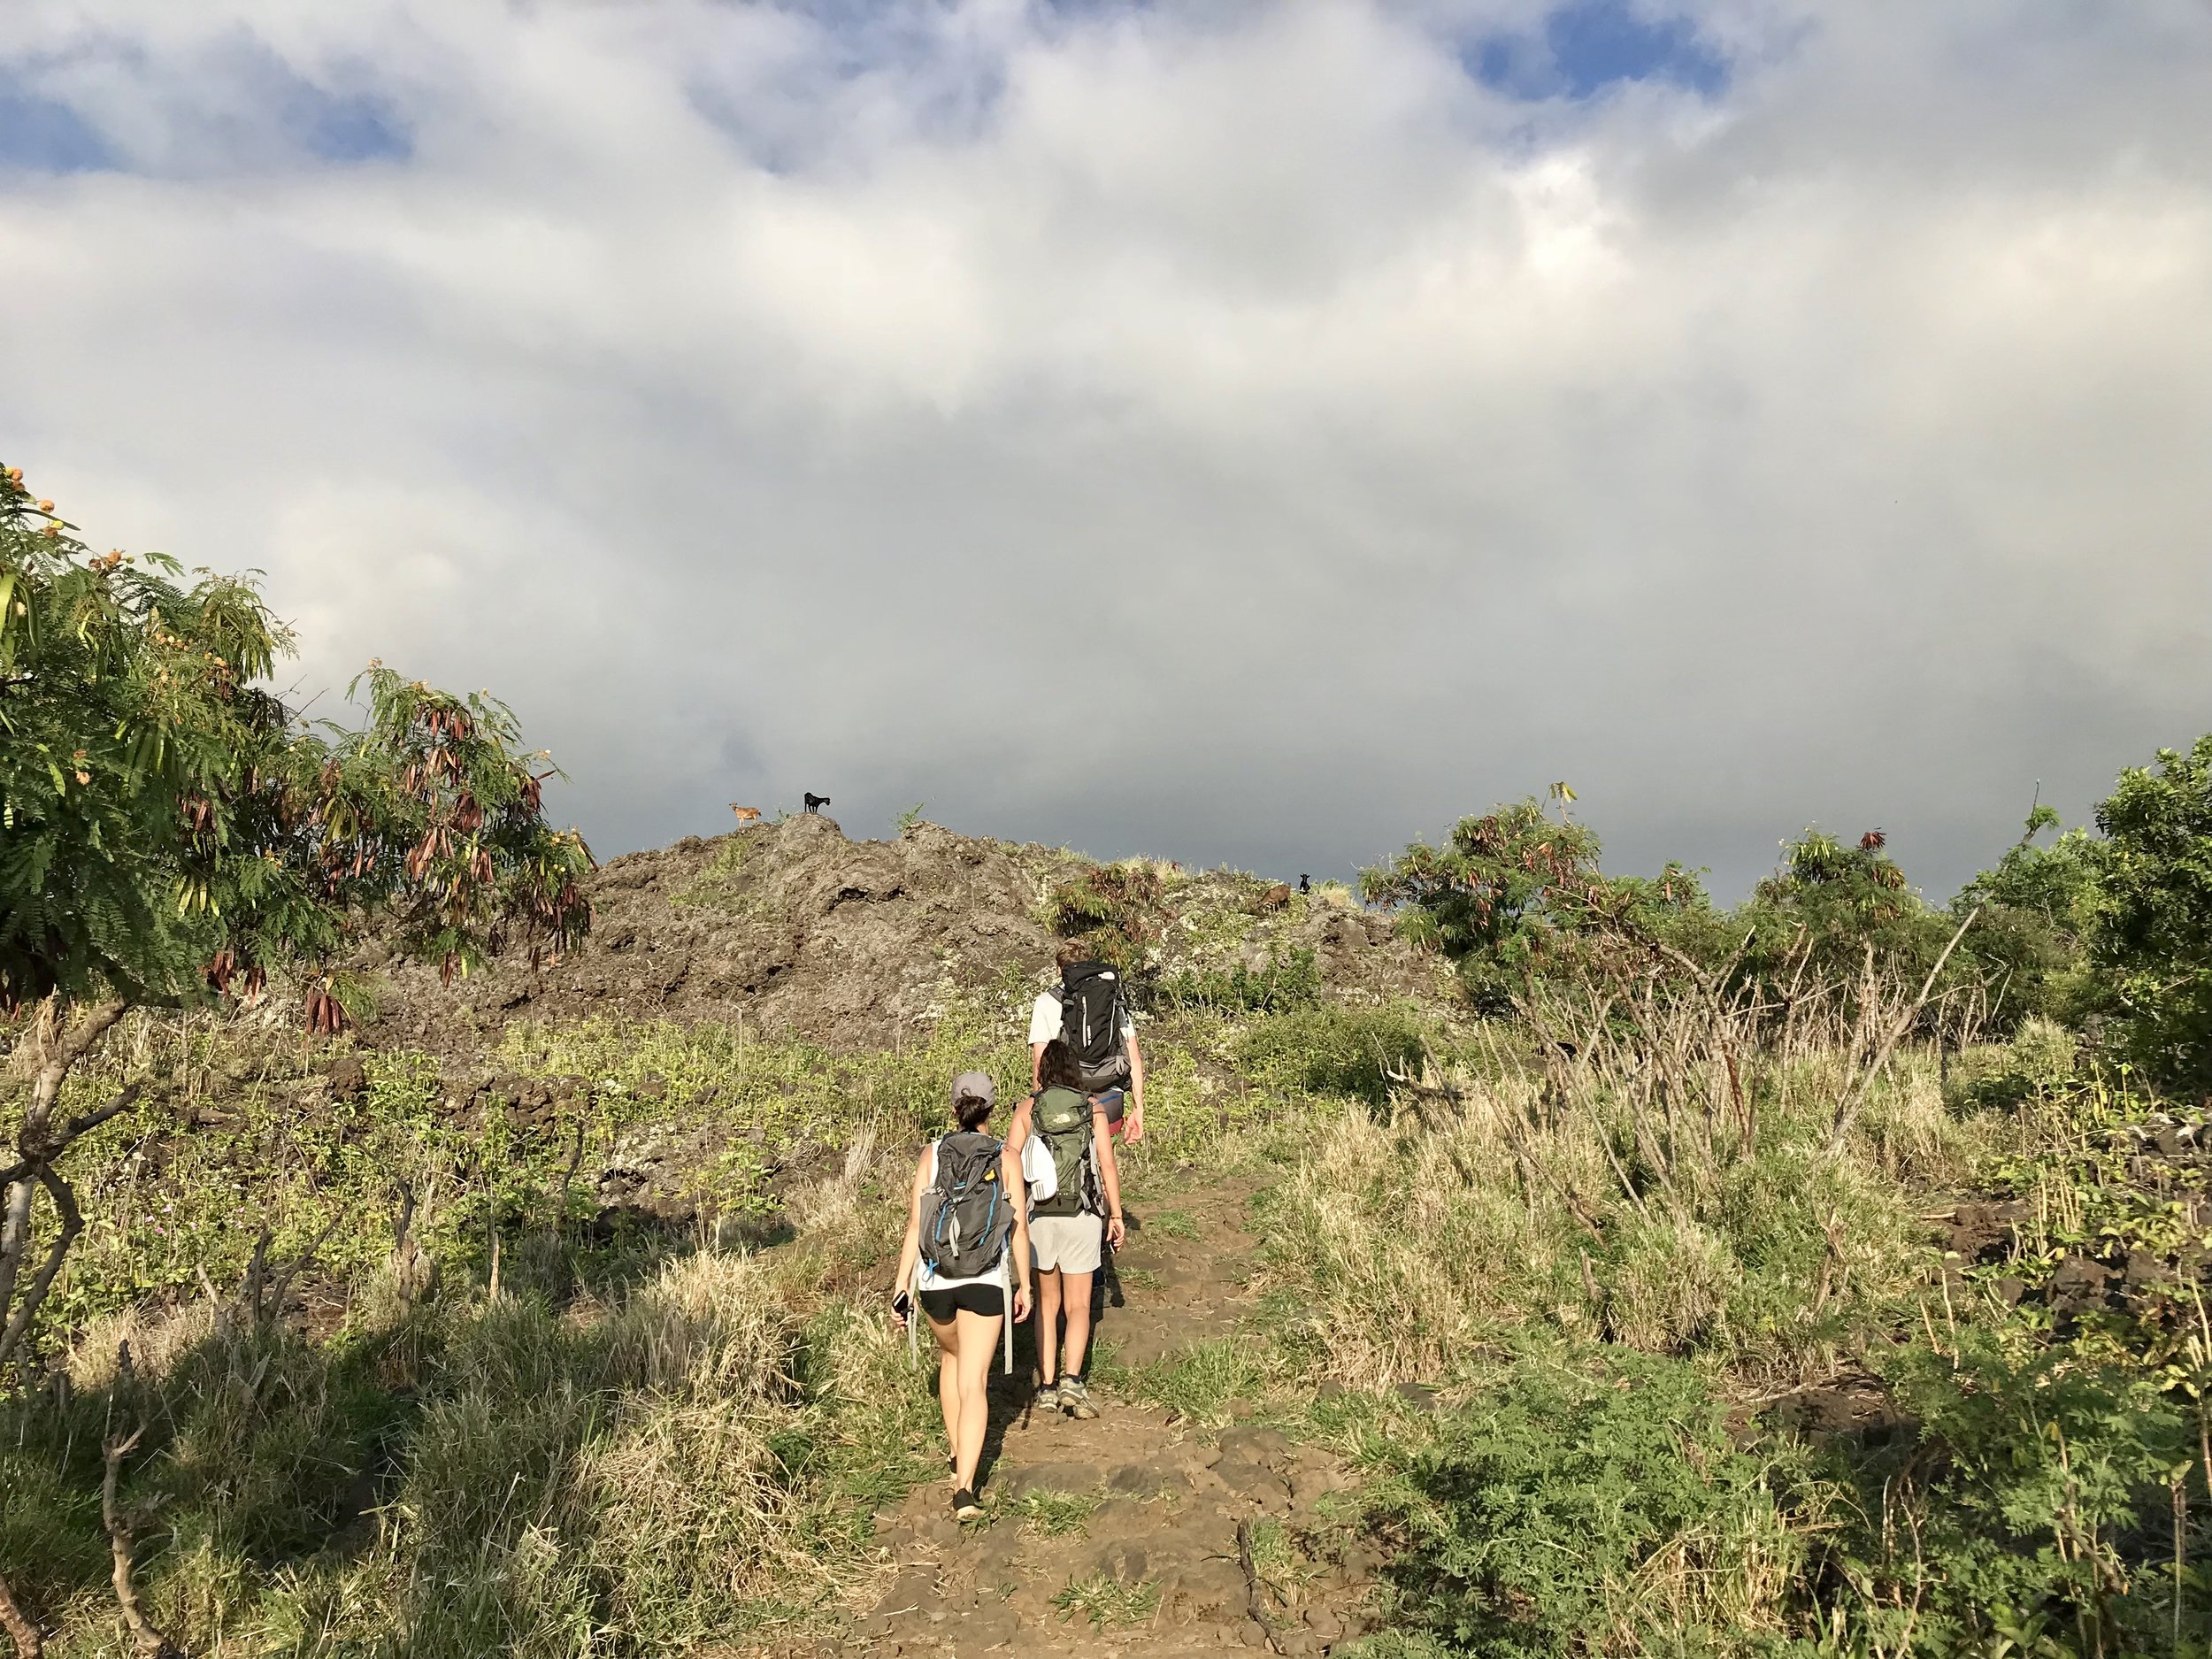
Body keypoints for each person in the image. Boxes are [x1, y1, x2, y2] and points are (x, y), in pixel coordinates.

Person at [891, 1071, 1033, 1518]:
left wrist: (901, 1289)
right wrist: (1023, 1283)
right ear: (992, 1109)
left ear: (955, 1108)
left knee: (950, 1361)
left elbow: (916, 1227)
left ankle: (957, 1455)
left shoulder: (931, 1155)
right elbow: (1019, 1228)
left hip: (936, 1282)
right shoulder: (1006, 1155)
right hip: (985, 1280)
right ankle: (965, 1489)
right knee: (974, 1382)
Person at [1006, 1039, 1125, 1419]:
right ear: (1075, 1070)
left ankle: (1046, 1386)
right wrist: (1116, 1214)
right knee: (1078, 1306)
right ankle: (1073, 1381)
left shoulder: (1027, 1110)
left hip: (1039, 1218)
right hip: (1083, 1216)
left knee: (1047, 1305)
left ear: (1043, 1071)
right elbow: (1107, 1166)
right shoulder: (1093, 1110)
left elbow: (1009, 1166)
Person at [1029, 941, 1147, 1143]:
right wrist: (1139, 1109)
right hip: (1109, 1097)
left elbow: (1040, 1061)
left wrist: (1038, 1106)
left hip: (1066, 1097)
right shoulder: (1111, 998)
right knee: (1105, 1160)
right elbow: (1134, 1058)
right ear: (1089, 965)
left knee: (1067, 1160)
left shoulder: (1045, 1002)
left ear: (1060, 970)